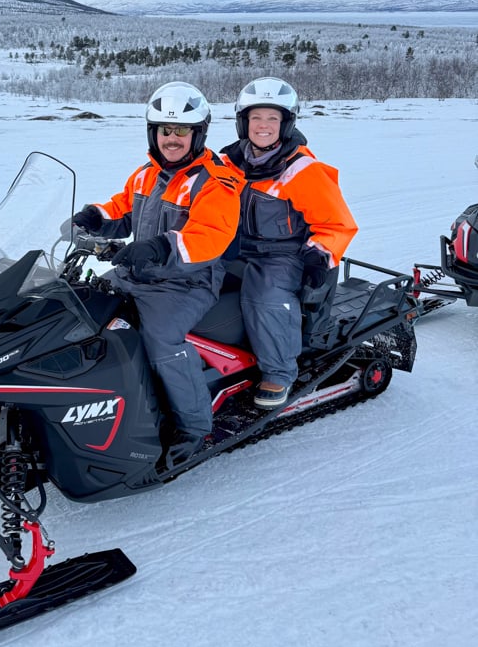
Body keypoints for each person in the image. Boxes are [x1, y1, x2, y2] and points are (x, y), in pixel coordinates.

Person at [72, 81, 243, 465]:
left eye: (182, 131)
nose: (172, 139)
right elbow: (122, 208)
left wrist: (160, 247)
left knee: (161, 337)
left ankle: (195, 425)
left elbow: (210, 236)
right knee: (82, 306)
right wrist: (94, 217)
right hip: (141, 273)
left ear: (198, 134)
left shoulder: (217, 181)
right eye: (165, 130)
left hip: (187, 282)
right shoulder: (147, 173)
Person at [220, 77, 358, 409]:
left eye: (273, 118)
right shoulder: (227, 162)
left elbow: (337, 224)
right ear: (244, 122)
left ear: (286, 123)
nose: (263, 126)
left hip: (284, 254)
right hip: (233, 245)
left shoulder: (302, 169)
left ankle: (279, 371)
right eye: (256, 118)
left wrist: (320, 254)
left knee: (264, 297)